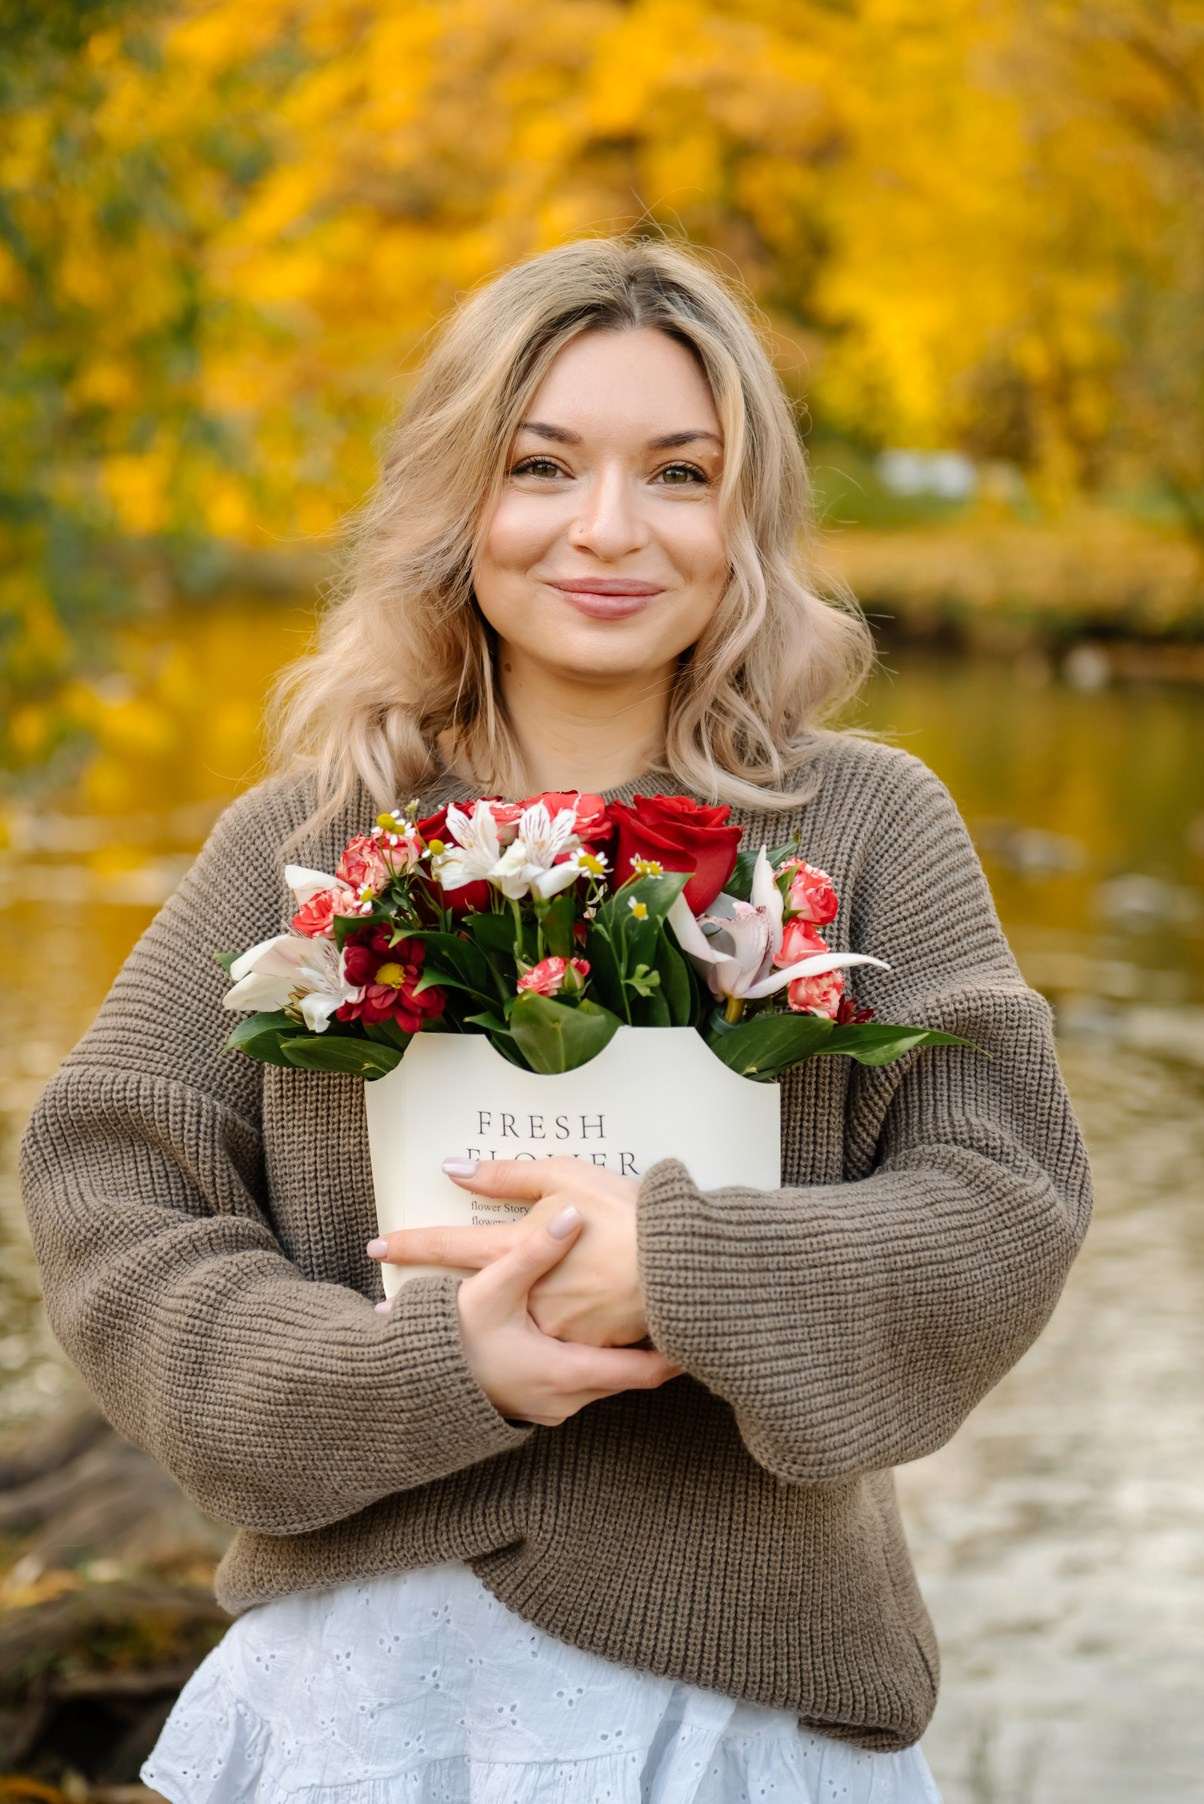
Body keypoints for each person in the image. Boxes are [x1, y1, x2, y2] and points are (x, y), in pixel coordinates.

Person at [20, 236, 1091, 1803]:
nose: (608, 530)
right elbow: (104, 1196)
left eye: (678, 472)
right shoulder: (308, 842)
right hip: (363, 1699)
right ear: (458, 500)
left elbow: (1007, 1207)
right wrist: (426, 1366)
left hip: (752, 1693)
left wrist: (679, 1268)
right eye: (541, 465)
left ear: (750, 516)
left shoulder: (869, 828)